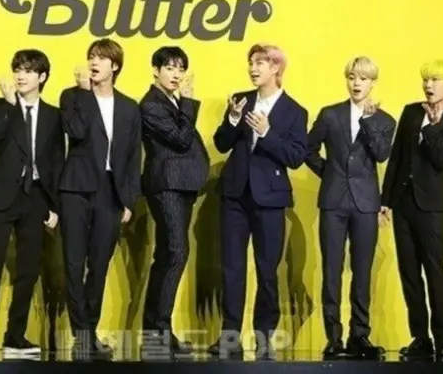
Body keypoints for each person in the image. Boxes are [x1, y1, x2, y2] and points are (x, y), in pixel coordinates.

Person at [208, 43, 308, 359]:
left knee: (267, 270)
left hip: (270, 199)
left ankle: (264, 337)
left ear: (276, 68)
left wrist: (267, 133)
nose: (253, 68)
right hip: (234, 196)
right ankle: (230, 336)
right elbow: (221, 143)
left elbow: (296, 156)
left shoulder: (295, 111)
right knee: (232, 268)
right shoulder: (241, 100)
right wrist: (233, 118)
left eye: (260, 63)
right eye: (251, 62)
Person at [381, 59, 443, 360]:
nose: (428, 85)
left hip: (432, 207)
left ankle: (442, 338)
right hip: (403, 203)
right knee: (409, 272)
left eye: (434, 79)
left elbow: (441, 160)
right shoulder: (411, 112)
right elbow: (397, 157)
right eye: (425, 79)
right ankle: (419, 337)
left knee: (435, 270)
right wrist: (386, 199)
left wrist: (433, 128)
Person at [0, 49, 63, 358]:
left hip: (35, 197)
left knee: (28, 270)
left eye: (28, 70)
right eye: (18, 70)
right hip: (1, 196)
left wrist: (54, 205)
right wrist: (11, 107)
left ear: (42, 76)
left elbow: (56, 161)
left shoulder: (53, 115)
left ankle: (15, 336)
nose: (21, 76)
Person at [305, 56, 395, 358]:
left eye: (363, 78)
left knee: (362, 271)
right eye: (352, 77)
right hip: (334, 201)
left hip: (366, 203)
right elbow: (308, 149)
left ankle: (360, 335)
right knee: (331, 269)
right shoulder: (330, 114)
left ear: (373, 83)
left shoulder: (385, 120)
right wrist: (329, 173)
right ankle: (333, 337)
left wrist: (368, 122)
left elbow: (381, 154)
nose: (356, 83)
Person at [58, 38, 142, 358]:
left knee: (99, 265)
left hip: (111, 191)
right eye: (91, 57)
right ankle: (83, 336)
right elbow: (76, 132)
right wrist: (83, 93)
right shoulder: (72, 96)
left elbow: (133, 156)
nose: (94, 62)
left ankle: (89, 331)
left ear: (115, 66)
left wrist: (128, 200)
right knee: (73, 262)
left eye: (101, 58)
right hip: (76, 189)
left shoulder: (129, 107)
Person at [139, 47, 210, 356]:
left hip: (181, 186)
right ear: (156, 70)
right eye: (169, 68)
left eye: (181, 68)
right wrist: (190, 104)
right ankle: (158, 334)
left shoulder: (172, 102)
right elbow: (181, 139)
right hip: (166, 186)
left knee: (170, 254)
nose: (176, 74)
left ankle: (157, 333)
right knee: (175, 253)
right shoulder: (151, 104)